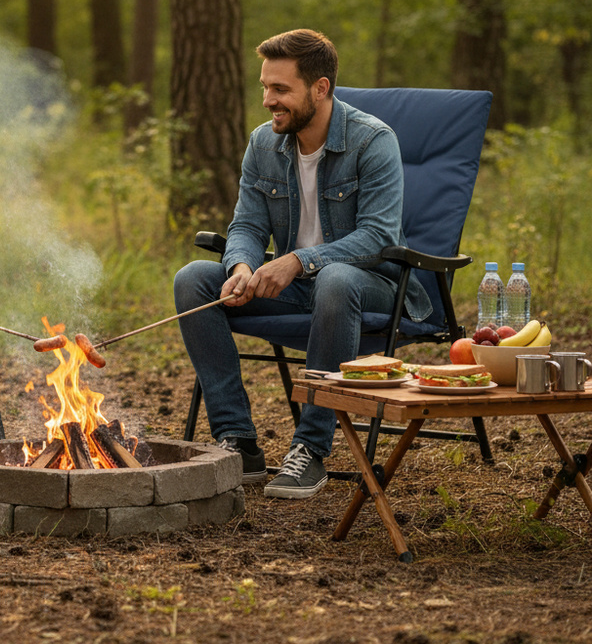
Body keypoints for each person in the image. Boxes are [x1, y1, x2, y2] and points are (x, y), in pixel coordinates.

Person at [174, 29, 431, 499]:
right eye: (265, 88)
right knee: (194, 279)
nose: (269, 100)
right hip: (296, 288)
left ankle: (311, 448)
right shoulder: (263, 144)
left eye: (281, 90)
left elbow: (377, 237)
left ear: (320, 88)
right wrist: (240, 269)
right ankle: (238, 441)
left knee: (334, 278)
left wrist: (297, 261)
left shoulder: (373, 141)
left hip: (372, 286)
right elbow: (248, 226)